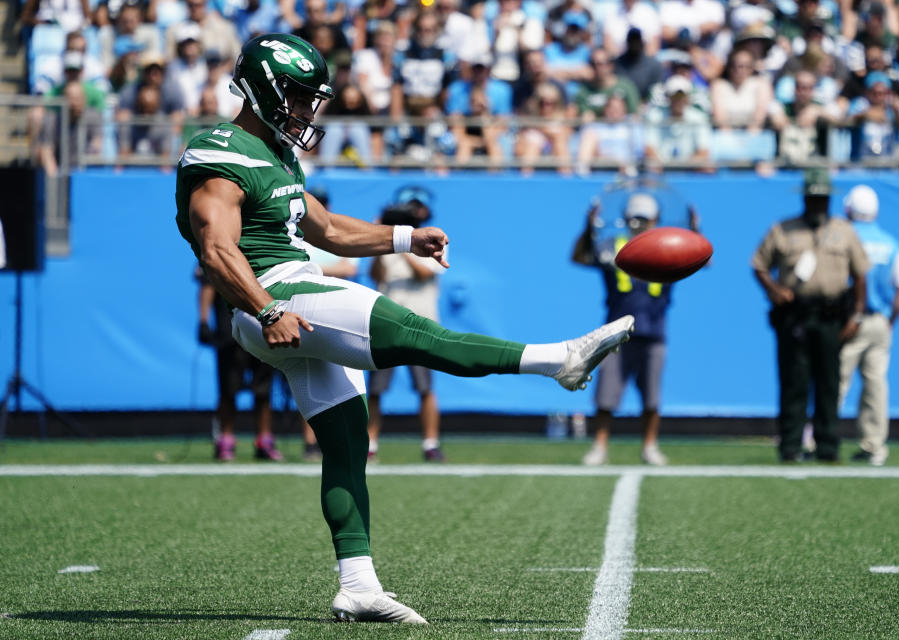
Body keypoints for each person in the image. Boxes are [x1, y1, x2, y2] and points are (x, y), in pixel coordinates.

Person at [175, 33, 632, 624]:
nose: (306, 110)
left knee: (344, 445)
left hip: (280, 297)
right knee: (421, 335)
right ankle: (558, 360)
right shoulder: (220, 152)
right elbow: (215, 251)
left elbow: (327, 229)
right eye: (297, 95)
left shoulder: (276, 153)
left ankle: (358, 585)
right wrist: (267, 308)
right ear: (264, 87)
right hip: (277, 292)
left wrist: (402, 237)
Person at [751, 168, 870, 463]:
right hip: (795, 316)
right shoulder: (783, 229)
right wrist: (774, 290)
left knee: (828, 382)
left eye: (822, 200)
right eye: (813, 199)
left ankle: (827, 445)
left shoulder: (843, 230)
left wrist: (856, 315)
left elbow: (861, 274)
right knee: (794, 381)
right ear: (804, 199)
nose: (818, 205)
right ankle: (791, 445)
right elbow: (759, 265)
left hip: (831, 315)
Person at [573, 193, 697, 466]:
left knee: (652, 396)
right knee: (606, 395)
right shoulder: (612, 246)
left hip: (653, 331)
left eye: (645, 219)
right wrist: (588, 228)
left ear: (656, 220)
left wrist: (694, 232)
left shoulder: (668, 249)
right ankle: (600, 446)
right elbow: (580, 256)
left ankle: (649, 446)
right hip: (616, 332)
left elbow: (697, 261)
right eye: (636, 218)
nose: (640, 224)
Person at [366, 187, 447, 463]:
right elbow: (376, 275)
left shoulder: (436, 240)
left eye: (416, 209)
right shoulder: (386, 241)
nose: (412, 214)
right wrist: (385, 239)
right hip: (388, 324)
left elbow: (424, 273)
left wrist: (403, 246)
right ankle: (370, 444)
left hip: (421, 324)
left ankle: (430, 443)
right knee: (376, 388)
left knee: (425, 387)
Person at [838, 185, 899, 467]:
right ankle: (874, 445)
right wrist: (890, 321)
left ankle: (818, 438)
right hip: (879, 320)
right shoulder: (890, 243)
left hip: (850, 320)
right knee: (876, 385)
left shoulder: (846, 238)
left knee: (836, 381)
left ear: (849, 210)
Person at [197, 268, 285, 461]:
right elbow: (207, 282)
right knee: (229, 388)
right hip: (229, 329)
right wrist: (203, 320)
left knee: (263, 388)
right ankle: (225, 439)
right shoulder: (221, 243)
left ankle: (264, 439)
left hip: (262, 325)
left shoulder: (262, 249)